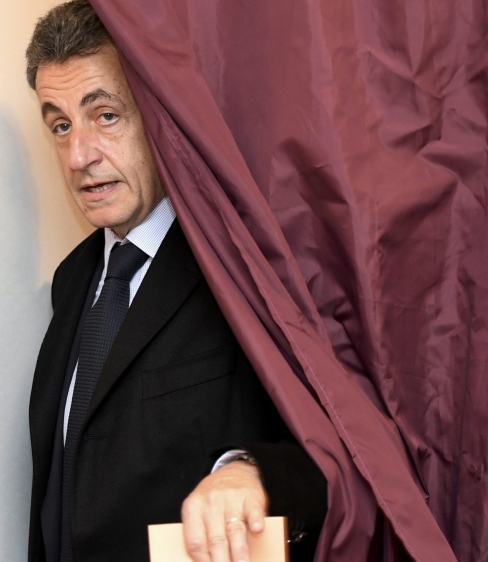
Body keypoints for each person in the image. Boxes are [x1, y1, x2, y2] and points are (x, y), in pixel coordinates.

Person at [24, 2, 328, 561]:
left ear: (159, 113)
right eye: (61, 126)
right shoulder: (72, 279)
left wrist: (249, 471)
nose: (79, 156)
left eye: (105, 116)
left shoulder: (239, 265)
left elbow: (342, 451)